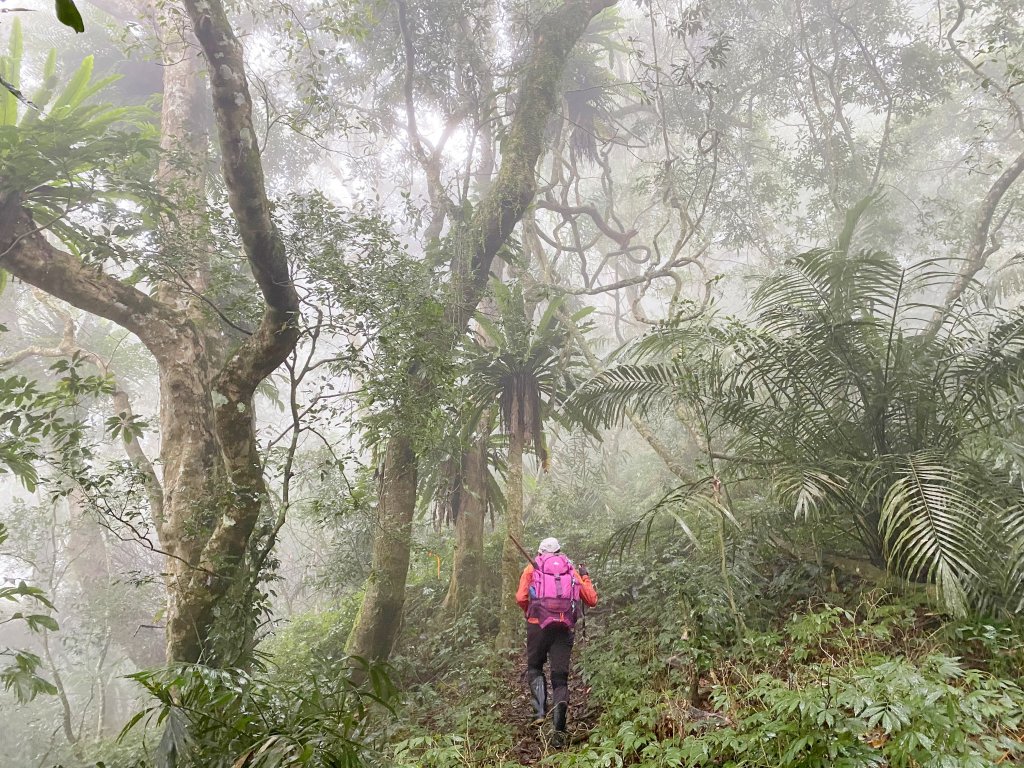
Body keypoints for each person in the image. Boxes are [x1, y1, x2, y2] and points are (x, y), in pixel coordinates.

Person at [515, 536, 598, 747]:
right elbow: (591, 599)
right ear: (559, 551)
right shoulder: (570, 570)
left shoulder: (532, 568)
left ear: (540, 552)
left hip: (537, 626)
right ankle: (559, 732)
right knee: (560, 680)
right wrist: (586, 577)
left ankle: (539, 712)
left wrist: (533, 613)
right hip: (563, 628)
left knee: (535, 666)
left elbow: (521, 598)